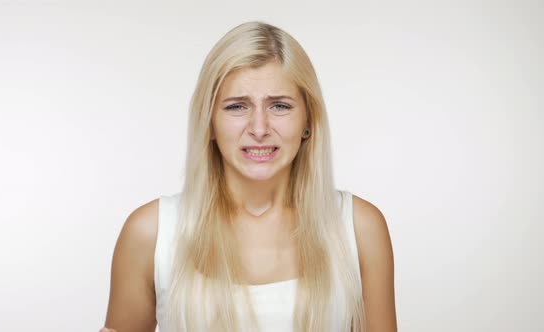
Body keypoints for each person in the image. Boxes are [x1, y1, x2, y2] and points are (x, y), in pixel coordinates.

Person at [100, 21, 397, 332]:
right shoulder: (151, 234)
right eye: (237, 106)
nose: (259, 128)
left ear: (309, 120)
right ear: (209, 123)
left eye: (280, 106)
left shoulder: (360, 229)